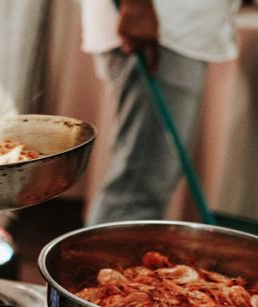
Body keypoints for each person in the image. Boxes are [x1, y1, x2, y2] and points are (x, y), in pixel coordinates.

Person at [79, 0, 240, 224]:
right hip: (163, 27)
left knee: (146, 182)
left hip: (173, 29)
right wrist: (136, 6)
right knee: (138, 190)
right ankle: (101, 259)